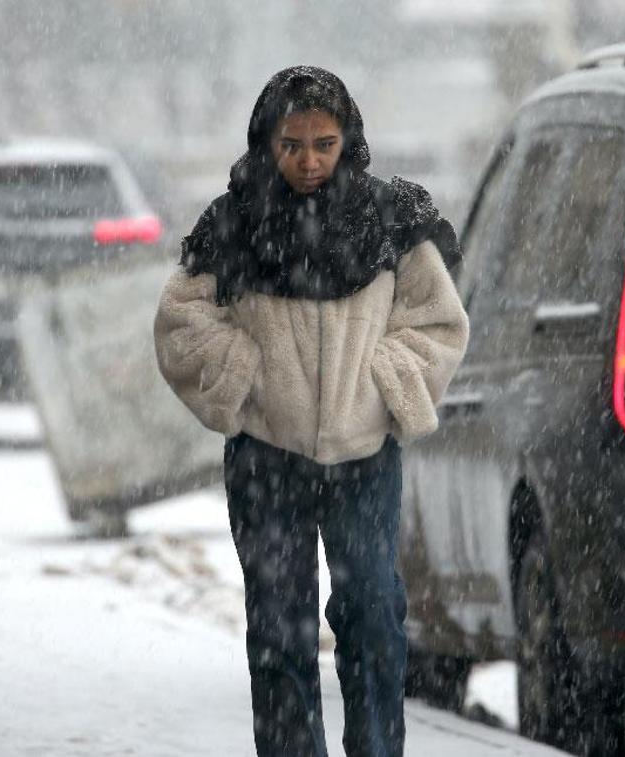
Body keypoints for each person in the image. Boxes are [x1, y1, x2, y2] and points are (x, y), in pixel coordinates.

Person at [153, 66, 469, 757]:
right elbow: (179, 323)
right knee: (278, 628)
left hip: (364, 460)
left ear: (347, 139)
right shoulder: (235, 221)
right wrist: (248, 374)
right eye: (291, 145)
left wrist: (382, 384)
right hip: (266, 457)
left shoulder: (390, 218)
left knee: (374, 615)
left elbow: (439, 321)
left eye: (324, 144)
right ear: (267, 141)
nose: (308, 161)